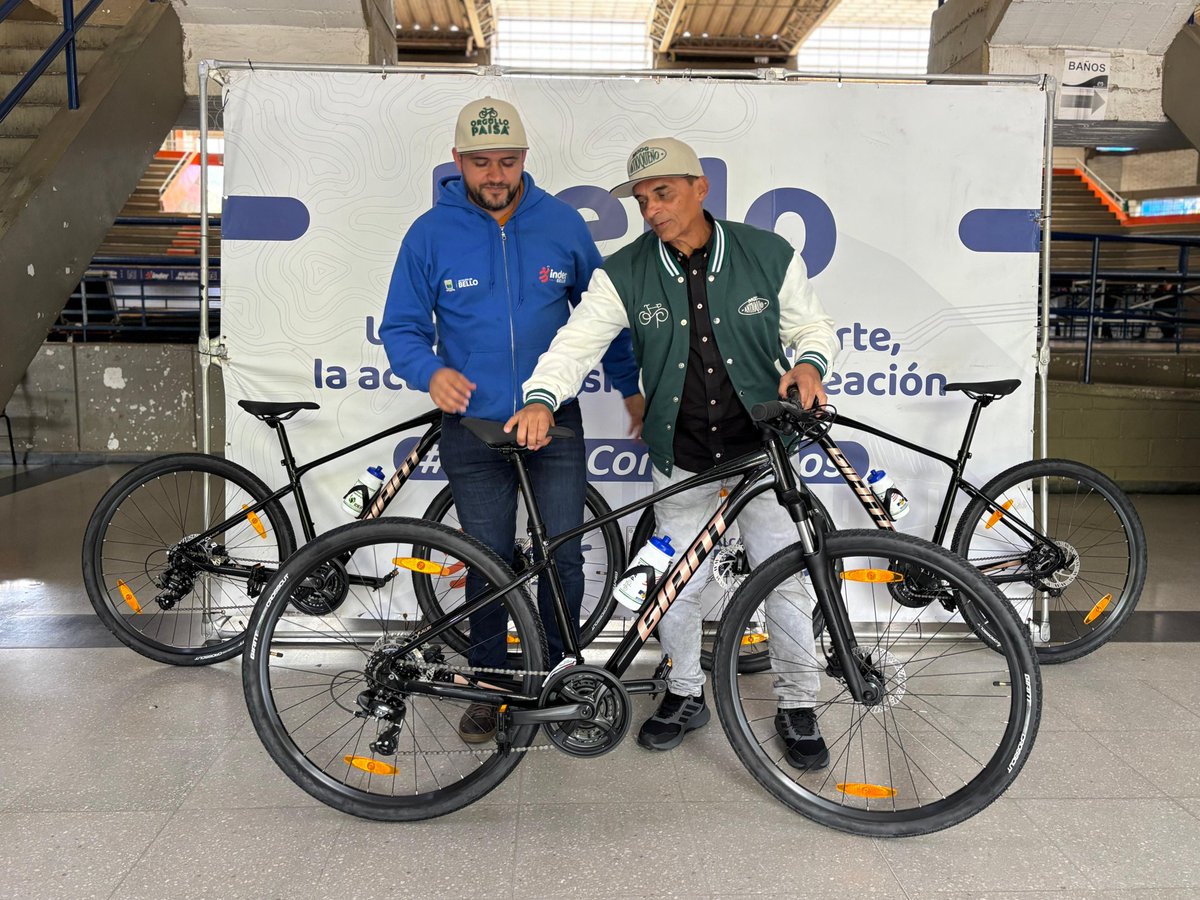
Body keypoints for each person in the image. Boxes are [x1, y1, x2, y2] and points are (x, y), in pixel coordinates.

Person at [506, 137, 839, 769]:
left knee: (786, 580)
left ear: (699, 187)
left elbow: (810, 328)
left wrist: (809, 364)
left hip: (764, 452)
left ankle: (798, 703)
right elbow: (577, 343)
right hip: (681, 454)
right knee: (677, 586)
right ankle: (685, 693)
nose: (652, 209)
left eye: (664, 193)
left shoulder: (767, 253)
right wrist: (544, 396)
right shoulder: (624, 272)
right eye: (641, 199)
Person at [380, 97, 643, 744]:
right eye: (479, 162)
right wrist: (428, 371)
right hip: (472, 428)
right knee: (488, 561)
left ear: (525, 158)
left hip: (554, 422)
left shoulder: (561, 224)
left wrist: (632, 387)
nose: (494, 174)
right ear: (457, 162)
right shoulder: (428, 234)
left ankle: (560, 675)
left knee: (565, 559)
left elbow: (602, 318)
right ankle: (493, 682)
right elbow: (402, 328)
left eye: (506, 160)